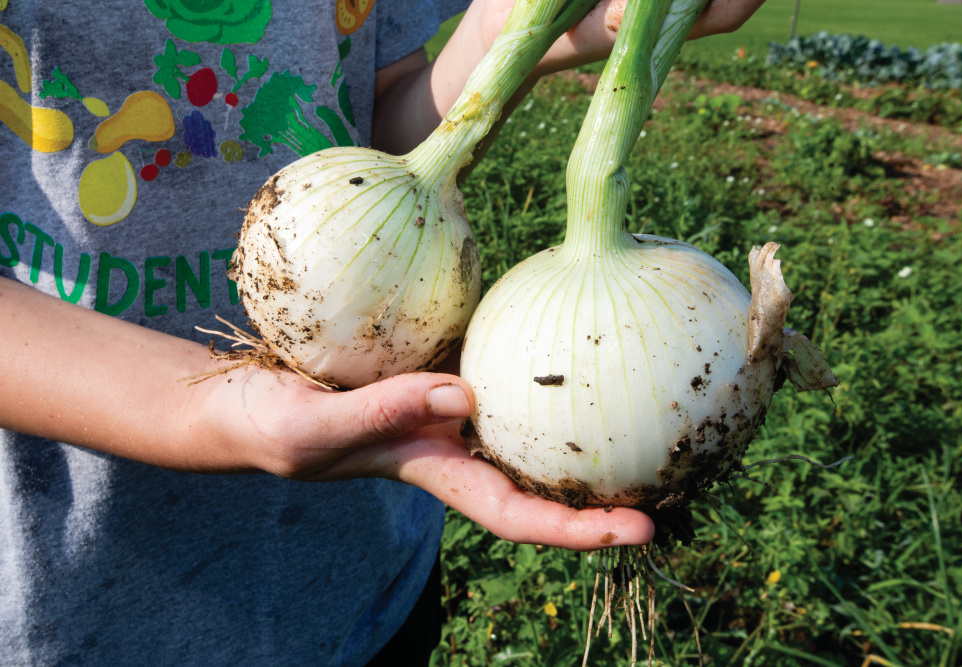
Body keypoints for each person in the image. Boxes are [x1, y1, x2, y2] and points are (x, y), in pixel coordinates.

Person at [0, 0, 765, 663]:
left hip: (359, 583)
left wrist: (505, 26)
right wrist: (201, 407)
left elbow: (388, 105)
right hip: (75, 598)